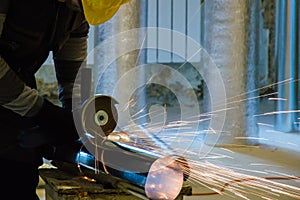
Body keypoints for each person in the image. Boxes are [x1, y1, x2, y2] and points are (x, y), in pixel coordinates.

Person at [0, 0, 130, 199]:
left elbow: (73, 67)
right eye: (79, 5)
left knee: (20, 169)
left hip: (16, 82)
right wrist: (41, 111)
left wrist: (78, 114)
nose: (79, 11)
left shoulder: (74, 10)